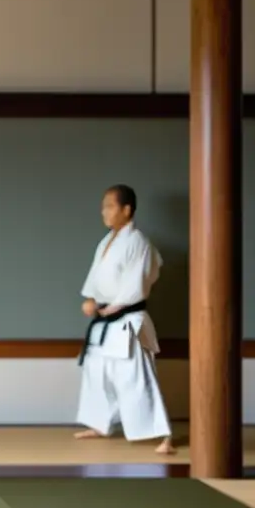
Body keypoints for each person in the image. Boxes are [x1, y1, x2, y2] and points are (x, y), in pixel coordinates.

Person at [74, 184, 174, 455]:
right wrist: (93, 300)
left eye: (109, 206)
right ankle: (99, 424)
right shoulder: (106, 242)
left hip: (127, 319)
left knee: (137, 377)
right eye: (103, 206)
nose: (103, 212)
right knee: (97, 374)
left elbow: (137, 284)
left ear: (126, 209)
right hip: (106, 321)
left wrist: (112, 307)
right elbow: (96, 280)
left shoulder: (138, 242)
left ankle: (163, 434)